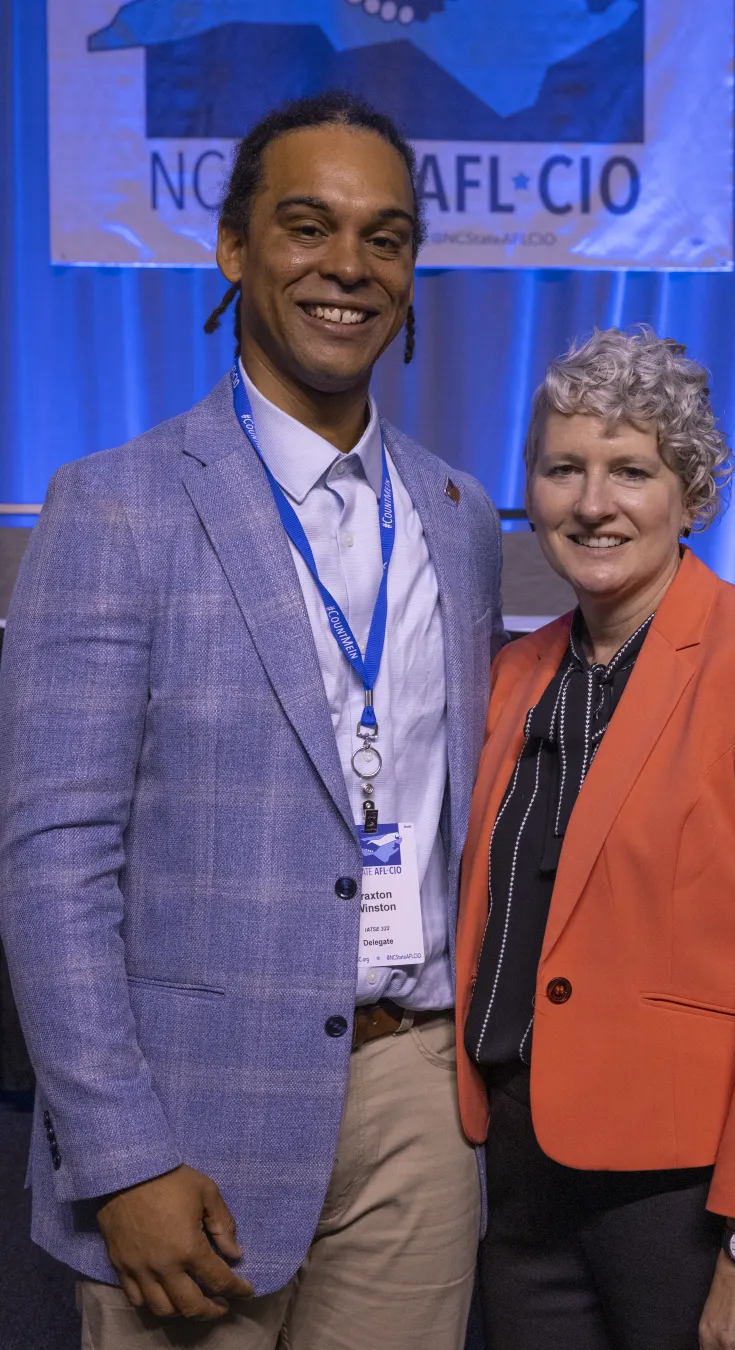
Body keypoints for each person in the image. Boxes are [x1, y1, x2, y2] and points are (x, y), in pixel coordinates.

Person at [0, 92, 503, 1349]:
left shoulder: (457, 514)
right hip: (191, 1120)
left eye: (385, 237)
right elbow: (53, 863)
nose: (348, 267)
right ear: (233, 249)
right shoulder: (113, 508)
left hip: (417, 1105)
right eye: (307, 225)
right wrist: (119, 1159)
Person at [455, 328, 735, 1350]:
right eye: (564, 469)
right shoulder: (513, 674)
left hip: (690, 1199)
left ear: (690, 495)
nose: (593, 503)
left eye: (630, 470)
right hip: (516, 1182)